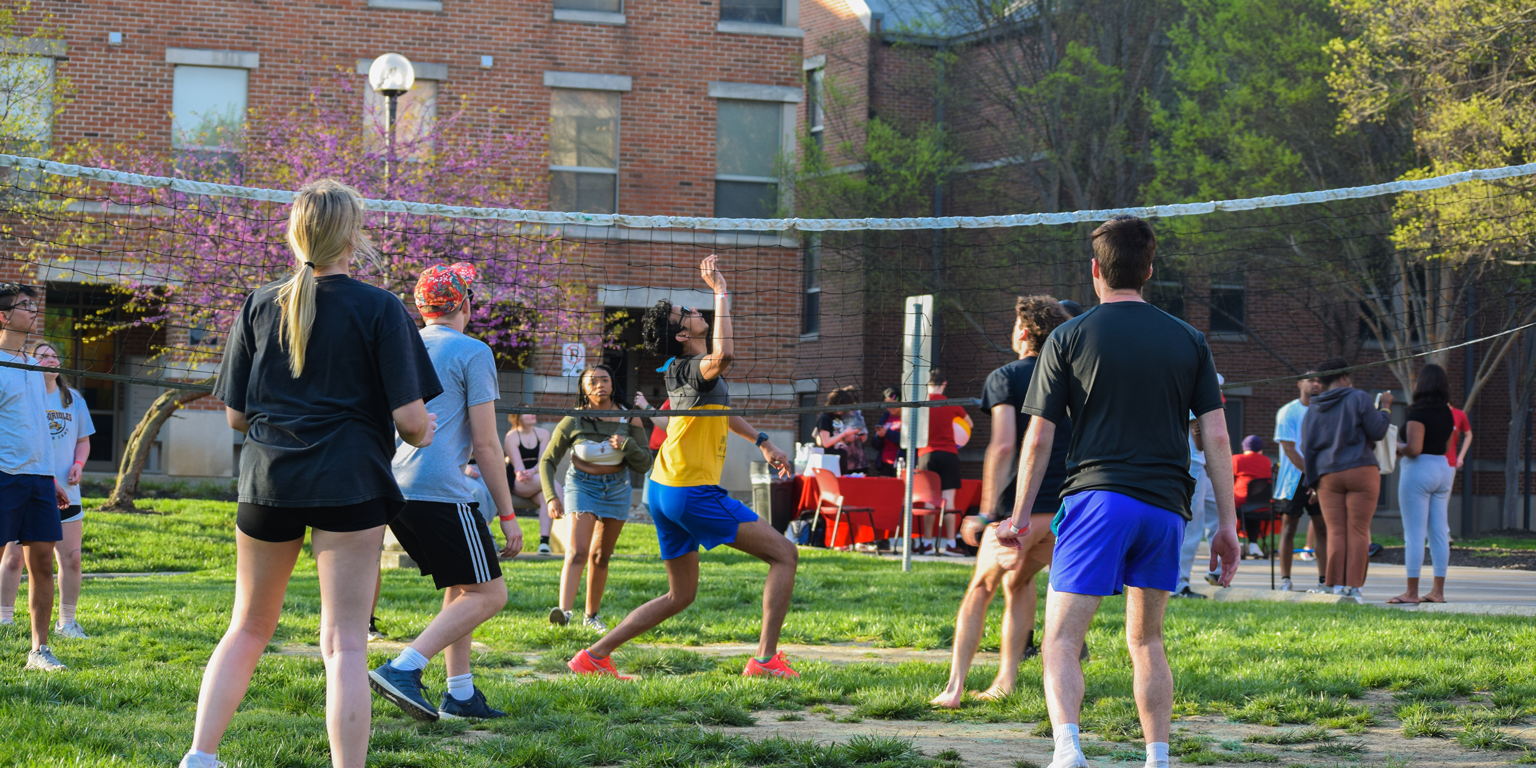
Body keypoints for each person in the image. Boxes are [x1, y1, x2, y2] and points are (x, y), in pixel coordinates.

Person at [183, 180, 442, 768]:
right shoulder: (381, 307)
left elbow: (234, 416)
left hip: (268, 481)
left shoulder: (258, 302)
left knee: (247, 628)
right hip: (349, 481)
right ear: (352, 236)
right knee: (345, 641)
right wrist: (424, 430)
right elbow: (410, 422)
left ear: (296, 233)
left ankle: (200, 757)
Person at [995, 215, 1238, 768]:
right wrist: (1227, 524)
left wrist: (1017, 514)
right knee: (1146, 641)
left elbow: (1037, 437)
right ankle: (1157, 758)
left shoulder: (1068, 335)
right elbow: (1217, 436)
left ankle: (1068, 751)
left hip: (1098, 499)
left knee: (1059, 639)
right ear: (1149, 270)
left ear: (1095, 270)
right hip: (1166, 508)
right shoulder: (1189, 339)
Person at [566, 255, 798, 679]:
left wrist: (763, 441)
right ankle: (765, 661)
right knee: (785, 554)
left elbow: (717, 411)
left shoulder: (682, 370)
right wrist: (721, 292)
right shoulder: (693, 367)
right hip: (689, 491)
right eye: (686, 313)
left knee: (680, 595)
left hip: (663, 488)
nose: (695, 311)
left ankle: (593, 656)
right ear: (681, 333)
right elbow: (724, 355)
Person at [368, 262, 524, 723]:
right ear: (466, 305)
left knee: (462, 586)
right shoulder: (473, 351)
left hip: (394, 488)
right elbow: (487, 443)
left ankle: (460, 693)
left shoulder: (397, 346)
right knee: (491, 595)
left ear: (420, 307)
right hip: (440, 491)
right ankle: (404, 667)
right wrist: (511, 515)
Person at [931, 295, 1072, 709]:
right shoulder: (1072, 375)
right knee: (1019, 581)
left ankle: (954, 688)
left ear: (1024, 332)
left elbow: (1004, 446)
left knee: (981, 587)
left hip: (1022, 512)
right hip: (1066, 510)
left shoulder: (1006, 377)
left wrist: (987, 512)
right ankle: (1005, 681)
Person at [540, 363, 652, 631]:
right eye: (592, 382)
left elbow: (645, 463)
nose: (599, 385)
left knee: (601, 556)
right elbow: (547, 461)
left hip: (617, 487)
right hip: (581, 485)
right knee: (578, 551)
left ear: (613, 385)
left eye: (604, 380)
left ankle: (591, 617)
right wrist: (550, 496)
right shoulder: (573, 419)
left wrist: (627, 446)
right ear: (583, 388)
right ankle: (564, 613)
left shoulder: (629, 417)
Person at [0, 340, 93, 643]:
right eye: (43, 356)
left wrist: (78, 463)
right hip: (22, 482)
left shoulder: (73, 399)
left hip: (60, 488)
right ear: (29, 362)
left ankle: (65, 624)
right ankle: (5, 618)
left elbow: (82, 439)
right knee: (13, 558)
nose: (51, 360)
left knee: (69, 559)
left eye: (54, 356)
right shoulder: (22, 390)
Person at [0, 284, 70, 673]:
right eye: (25, 306)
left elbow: (35, 425)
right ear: (3, 317)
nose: (33, 311)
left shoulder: (30, 364)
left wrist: (49, 475)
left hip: (39, 480)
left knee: (43, 564)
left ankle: (39, 651)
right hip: (4, 476)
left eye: (33, 305)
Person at [1299, 357, 1392, 604]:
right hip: (1361, 468)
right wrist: (1385, 408)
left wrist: (1311, 481)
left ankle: (1337, 586)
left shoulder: (1314, 407)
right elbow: (1378, 431)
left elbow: (1307, 447)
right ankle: (1355, 589)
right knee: (1359, 531)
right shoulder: (1358, 397)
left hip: (1328, 475)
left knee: (1336, 531)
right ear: (1344, 376)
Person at [1389, 363, 1456, 605]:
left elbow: (1414, 449)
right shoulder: (1447, 413)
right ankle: (1438, 591)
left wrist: (1397, 446)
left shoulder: (1418, 413)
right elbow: (1447, 447)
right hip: (1442, 469)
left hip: (1418, 471)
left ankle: (1411, 592)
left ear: (1422, 385)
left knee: (1414, 534)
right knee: (1439, 533)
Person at [1272, 373, 1326, 591]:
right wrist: (1310, 474)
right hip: (1294, 479)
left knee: (1322, 529)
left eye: (1319, 381)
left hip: (1320, 476)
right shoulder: (1288, 411)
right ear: (1300, 384)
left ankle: (1325, 581)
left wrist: (1319, 477)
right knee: (1289, 527)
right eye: (1311, 380)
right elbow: (1289, 449)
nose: (1316, 384)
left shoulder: (1324, 410)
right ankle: (1286, 580)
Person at [1173, 387, 1224, 599]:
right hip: (1192, 464)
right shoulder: (1197, 392)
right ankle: (1178, 585)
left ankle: (1217, 570)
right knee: (1192, 526)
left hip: (1200, 465)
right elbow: (1199, 436)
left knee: (1219, 517)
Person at [917, 370, 972, 556]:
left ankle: (926, 543)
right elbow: (969, 424)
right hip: (949, 454)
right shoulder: (951, 404)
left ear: (927, 384)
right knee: (948, 501)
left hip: (926, 455)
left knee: (929, 501)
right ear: (945, 384)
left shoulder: (921, 404)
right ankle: (949, 543)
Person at [504, 408, 556, 554]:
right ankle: (563, 497)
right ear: (517, 418)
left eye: (532, 411)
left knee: (547, 498)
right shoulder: (512, 436)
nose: (533, 413)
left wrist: (533, 471)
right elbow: (517, 465)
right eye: (527, 412)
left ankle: (544, 543)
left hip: (538, 476)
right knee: (555, 489)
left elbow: (543, 462)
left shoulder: (543, 433)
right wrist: (521, 473)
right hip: (520, 481)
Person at [1232, 435, 1273, 559]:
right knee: (1254, 506)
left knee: (1242, 505)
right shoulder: (1267, 461)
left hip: (1240, 501)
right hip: (1262, 502)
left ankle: (1234, 543)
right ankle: (1253, 544)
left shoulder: (1236, 459)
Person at [815, 389, 861, 474]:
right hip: (830, 462)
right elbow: (826, 443)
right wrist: (845, 433)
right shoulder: (824, 418)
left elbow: (839, 438)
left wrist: (851, 434)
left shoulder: (839, 417)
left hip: (842, 459)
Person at [870, 387, 902, 477]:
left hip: (900, 464)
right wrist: (878, 437)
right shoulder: (885, 417)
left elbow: (907, 440)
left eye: (891, 404)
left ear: (901, 402)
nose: (888, 408)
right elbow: (875, 445)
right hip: (884, 463)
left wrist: (888, 433)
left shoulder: (906, 418)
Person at [1447, 404, 1472, 472]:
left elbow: (1468, 435)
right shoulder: (1431, 413)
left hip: (1450, 463)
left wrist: (1461, 457)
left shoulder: (1459, 414)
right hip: (1430, 461)